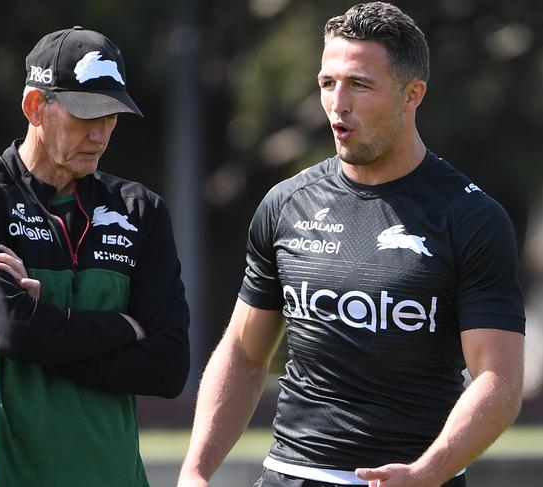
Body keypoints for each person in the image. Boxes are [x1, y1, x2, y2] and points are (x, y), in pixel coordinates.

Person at [177, 3, 525, 487]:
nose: (338, 104)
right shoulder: (286, 203)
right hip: (287, 475)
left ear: (412, 94)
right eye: (327, 83)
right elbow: (242, 353)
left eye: (359, 85)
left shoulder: (470, 217)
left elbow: (500, 380)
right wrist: (195, 471)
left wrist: (429, 471)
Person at [0, 26, 189, 487]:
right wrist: (122, 328)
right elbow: (10, 330)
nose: (101, 134)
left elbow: (168, 367)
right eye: (85, 115)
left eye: (111, 115)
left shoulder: (140, 210)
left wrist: (42, 323)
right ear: (35, 107)